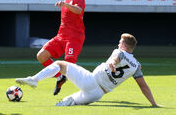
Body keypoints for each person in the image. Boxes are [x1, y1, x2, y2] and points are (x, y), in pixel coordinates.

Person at [16, 33, 160, 107]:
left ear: (125, 46)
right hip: (97, 95)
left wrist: (112, 63)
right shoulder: (135, 66)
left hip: (91, 81)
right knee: (67, 102)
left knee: (60, 64)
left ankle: (34, 80)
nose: (118, 43)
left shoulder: (119, 52)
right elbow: (143, 86)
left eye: (120, 42)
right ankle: (69, 100)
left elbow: (115, 58)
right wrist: (154, 104)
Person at [36, 0, 86, 95]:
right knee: (41, 56)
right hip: (61, 36)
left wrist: (65, 4)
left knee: (69, 66)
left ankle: (88, 87)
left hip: (74, 38)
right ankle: (60, 77)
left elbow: (79, 10)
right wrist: (65, 3)